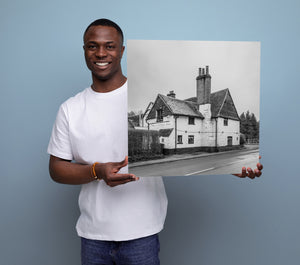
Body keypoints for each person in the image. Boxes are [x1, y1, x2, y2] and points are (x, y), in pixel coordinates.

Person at [47, 18, 263, 265]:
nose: (101, 53)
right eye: (92, 46)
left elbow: (189, 163)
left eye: (110, 46)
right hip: (93, 233)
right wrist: (97, 171)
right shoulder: (70, 108)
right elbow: (57, 168)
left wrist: (234, 168)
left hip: (143, 232)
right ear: (84, 50)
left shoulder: (144, 98)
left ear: (122, 50)